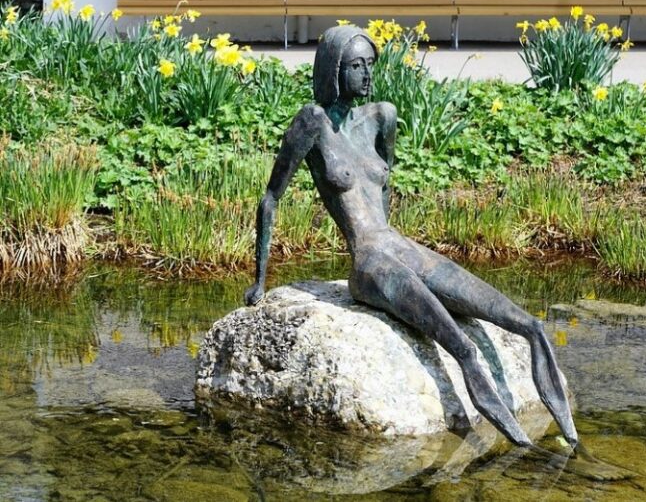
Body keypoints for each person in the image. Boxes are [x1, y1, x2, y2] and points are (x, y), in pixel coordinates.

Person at [244, 25, 578, 449]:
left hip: (401, 247)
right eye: (356, 66)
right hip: (369, 263)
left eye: (370, 64)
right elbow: (270, 198)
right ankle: (520, 445)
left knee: (530, 325)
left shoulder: (382, 116)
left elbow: (383, 185)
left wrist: (395, 242)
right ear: (333, 70)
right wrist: (260, 281)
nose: (367, 74)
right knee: (463, 347)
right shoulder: (313, 122)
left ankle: (570, 437)